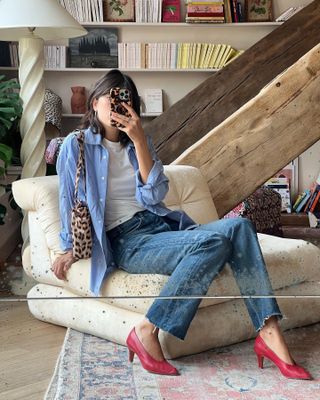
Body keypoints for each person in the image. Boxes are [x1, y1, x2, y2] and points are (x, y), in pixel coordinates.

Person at [53, 69, 312, 379]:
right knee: (215, 241)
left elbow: (155, 195)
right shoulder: (76, 144)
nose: (118, 106)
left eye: (126, 101)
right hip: (127, 241)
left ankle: (269, 332)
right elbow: (67, 198)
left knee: (240, 227)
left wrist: (138, 140)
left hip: (160, 228)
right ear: (95, 103)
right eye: (112, 99)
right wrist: (68, 247)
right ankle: (148, 330)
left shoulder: (138, 143)